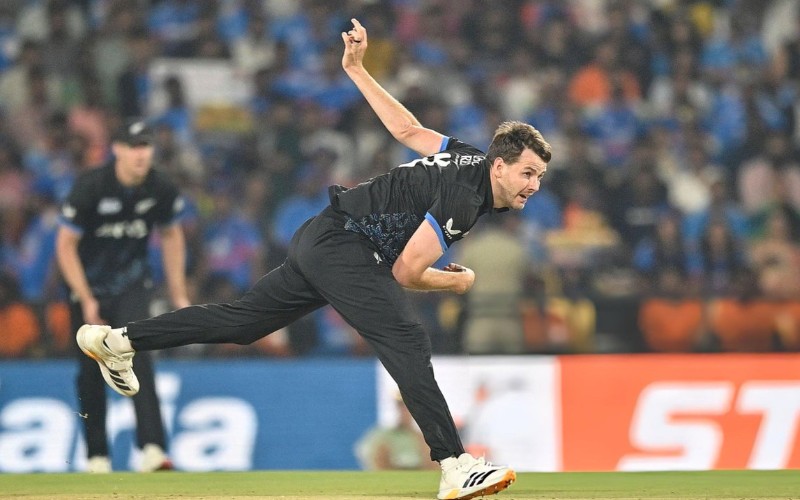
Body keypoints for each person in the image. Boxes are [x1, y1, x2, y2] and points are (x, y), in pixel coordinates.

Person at [76, 19, 549, 499]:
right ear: (499, 166)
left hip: (321, 236)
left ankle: (119, 340)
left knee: (243, 322)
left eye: (539, 177)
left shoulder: (467, 156)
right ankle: (455, 465)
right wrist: (456, 283)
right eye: (527, 173)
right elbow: (406, 270)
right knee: (406, 339)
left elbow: (406, 129)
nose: (533, 186)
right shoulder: (466, 198)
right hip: (347, 246)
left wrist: (357, 69)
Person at [56, 118, 190, 473]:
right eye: (133, 146)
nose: (140, 154)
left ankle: (153, 450)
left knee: (139, 359)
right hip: (88, 287)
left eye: (145, 146)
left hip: (132, 285)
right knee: (89, 370)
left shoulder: (160, 186)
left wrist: (178, 292)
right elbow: (65, 245)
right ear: (116, 149)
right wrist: (86, 297)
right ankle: (97, 456)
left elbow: (172, 234)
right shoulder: (91, 186)